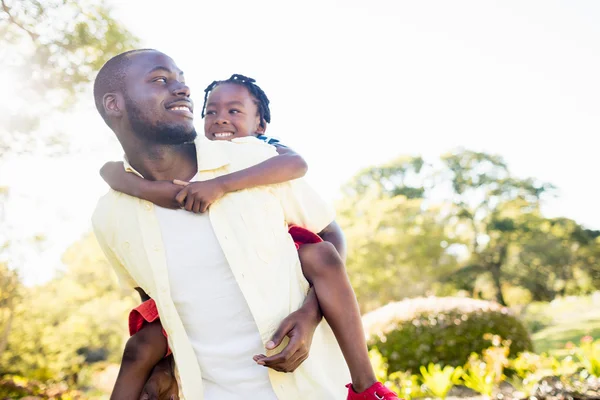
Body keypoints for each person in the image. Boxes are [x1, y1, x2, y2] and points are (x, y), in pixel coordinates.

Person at [100, 73, 400, 400]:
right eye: (211, 112)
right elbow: (110, 172)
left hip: (292, 251)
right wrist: (142, 187)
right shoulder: (124, 208)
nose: (220, 120)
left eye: (234, 112)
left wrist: (220, 185)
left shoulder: (262, 152)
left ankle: (367, 387)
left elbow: (300, 170)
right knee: (140, 347)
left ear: (260, 125)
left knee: (320, 256)